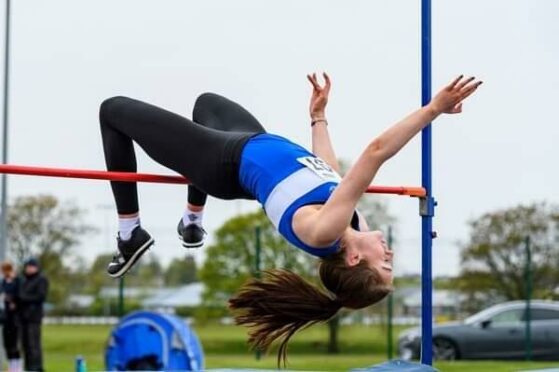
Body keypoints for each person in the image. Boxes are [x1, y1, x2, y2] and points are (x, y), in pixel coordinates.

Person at [99, 73, 481, 362]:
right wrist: (319, 119)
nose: (390, 255)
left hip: (221, 161)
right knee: (206, 103)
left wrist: (433, 109)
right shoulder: (348, 225)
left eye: (385, 265)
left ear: (353, 259)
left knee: (113, 110)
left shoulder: (323, 233)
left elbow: (376, 152)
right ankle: (193, 221)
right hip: (248, 139)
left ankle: (130, 232)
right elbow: (330, 174)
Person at [18, 258, 48, 372]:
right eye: (28, 266)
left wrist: (24, 298)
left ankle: (36, 367)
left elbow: (40, 296)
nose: (29, 269)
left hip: (34, 317)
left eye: (31, 266)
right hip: (23, 317)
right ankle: (28, 367)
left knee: (33, 344)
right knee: (24, 344)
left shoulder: (41, 280)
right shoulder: (23, 280)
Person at [1, 261, 22, 372]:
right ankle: (11, 366)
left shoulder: (17, 281)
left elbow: (20, 295)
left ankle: (17, 367)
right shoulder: (3, 282)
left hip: (15, 317)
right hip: (6, 317)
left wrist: (12, 299)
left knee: (14, 343)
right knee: (7, 343)